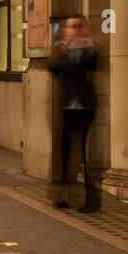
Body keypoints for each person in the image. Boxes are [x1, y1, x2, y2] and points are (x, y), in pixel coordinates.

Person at [49, 16, 100, 213]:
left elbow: (89, 65)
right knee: (64, 152)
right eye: (73, 27)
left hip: (86, 107)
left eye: (80, 26)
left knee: (86, 155)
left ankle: (90, 201)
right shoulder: (60, 49)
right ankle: (61, 196)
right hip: (67, 106)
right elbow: (53, 67)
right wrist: (70, 49)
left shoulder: (90, 49)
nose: (77, 30)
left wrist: (76, 49)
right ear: (65, 29)